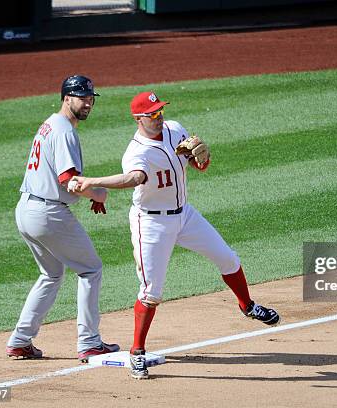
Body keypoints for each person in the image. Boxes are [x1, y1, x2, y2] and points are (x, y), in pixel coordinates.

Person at [69, 91, 280, 380]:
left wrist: (201, 161)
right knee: (151, 292)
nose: (159, 117)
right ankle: (137, 353)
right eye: (152, 114)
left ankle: (248, 305)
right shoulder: (136, 151)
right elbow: (134, 179)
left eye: (160, 111)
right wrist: (92, 181)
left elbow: (195, 163)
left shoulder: (174, 129)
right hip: (152, 224)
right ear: (137, 119)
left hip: (185, 215)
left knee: (228, 259)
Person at [6, 75, 119, 362]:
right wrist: (97, 194)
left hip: (26, 210)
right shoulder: (65, 130)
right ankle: (89, 342)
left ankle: (20, 341)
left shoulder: (50, 124)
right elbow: (68, 180)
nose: (88, 102)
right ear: (66, 98)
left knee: (51, 274)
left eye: (91, 98)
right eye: (82, 97)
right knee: (90, 269)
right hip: (47, 213)